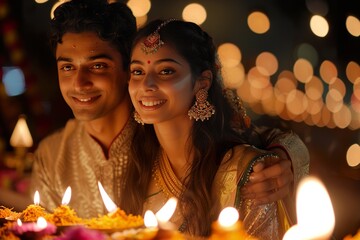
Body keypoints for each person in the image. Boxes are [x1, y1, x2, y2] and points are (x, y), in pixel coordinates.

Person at [29, 0, 308, 221]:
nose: (79, 83)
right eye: (67, 67)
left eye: (98, 65)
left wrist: (285, 157)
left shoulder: (161, 124)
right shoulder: (53, 155)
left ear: (128, 67)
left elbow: (252, 138)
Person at [125, 19, 308, 239]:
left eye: (166, 71)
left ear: (202, 82)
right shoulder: (139, 161)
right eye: (137, 71)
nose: (146, 85)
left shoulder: (248, 174)